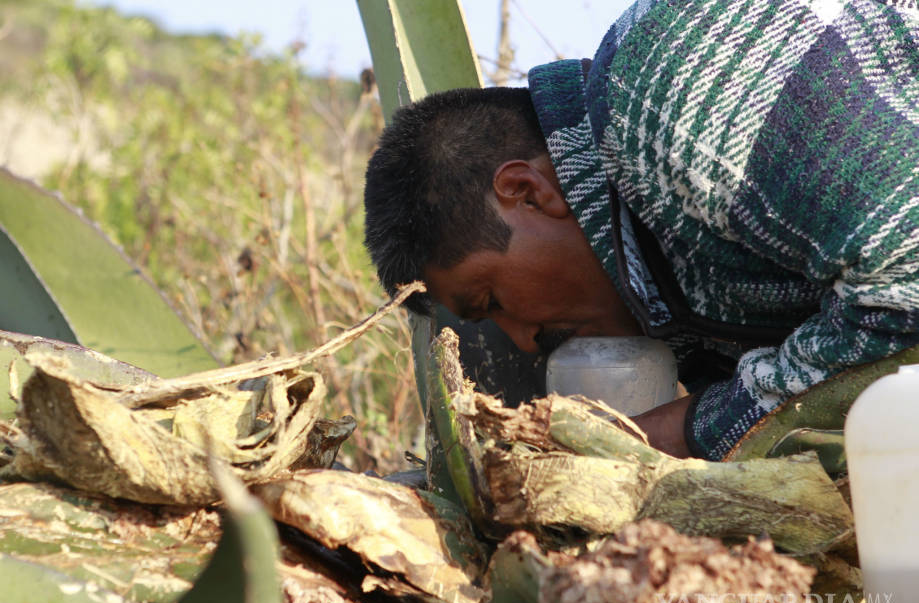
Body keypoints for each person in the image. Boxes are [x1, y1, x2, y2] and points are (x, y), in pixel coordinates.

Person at [363, 0, 919, 461]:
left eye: (491, 299)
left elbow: (908, 275)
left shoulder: (664, 86)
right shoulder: (669, 287)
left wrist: (684, 432)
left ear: (529, 192)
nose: (524, 340)